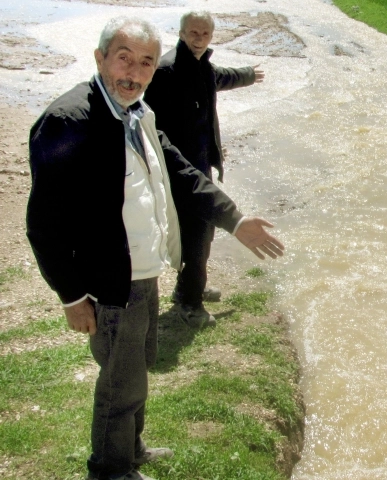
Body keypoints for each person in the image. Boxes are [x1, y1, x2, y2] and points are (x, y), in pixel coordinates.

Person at [26, 17, 284, 480]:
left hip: (144, 271)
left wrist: (235, 220)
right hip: (109, 282)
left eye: (145, 61)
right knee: (119, 382)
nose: (135, 71)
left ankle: (131, 446)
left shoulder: (139, 113)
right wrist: (71, 297)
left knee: (138, 368)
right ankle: (110, 468)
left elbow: (182, 172)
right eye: (123, 58)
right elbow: (43, 226)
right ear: (100, 58)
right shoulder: (69, 122)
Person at [144, 11, 265, 327]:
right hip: (180, 170)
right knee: (196, 234)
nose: (199, 39)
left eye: (205, 34)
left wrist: (248, 75)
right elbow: (150, 124)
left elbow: (220, 77)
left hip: (200, 163)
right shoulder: (166, 70)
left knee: (204, 230)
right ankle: (189, 302)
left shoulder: (202, 67)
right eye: (193, 33)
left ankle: (190, 285)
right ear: (182, 33)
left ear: (212, 36)